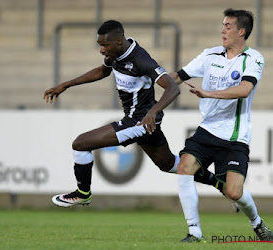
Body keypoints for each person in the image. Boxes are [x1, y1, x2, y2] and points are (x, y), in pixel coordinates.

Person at [44, 20, 223, 208]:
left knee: (80, 144)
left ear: (119, 41)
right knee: (169, 164)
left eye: (104, 45)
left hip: (140, 122)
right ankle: (219, 182)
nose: (101, 50)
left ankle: (82, 193)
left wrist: (153, 112)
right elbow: (101, 71)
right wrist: (65, 85)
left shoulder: (141, 60)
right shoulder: (115, 54)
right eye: (100, 45)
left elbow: (172, 88)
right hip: (141, 121)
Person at [170, 8, 273, 242]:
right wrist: (152, 77)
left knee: (234, 192)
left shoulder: (253, 58)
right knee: (185, 167)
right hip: (207, 130)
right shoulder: (210, 55)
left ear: (242, 31)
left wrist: (208, 93)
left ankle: (258, 225)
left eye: (228, 26)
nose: (222, 30)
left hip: (235, 136)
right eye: (223, 25)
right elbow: (178, 76)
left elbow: (245, 90)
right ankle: (194, 231)